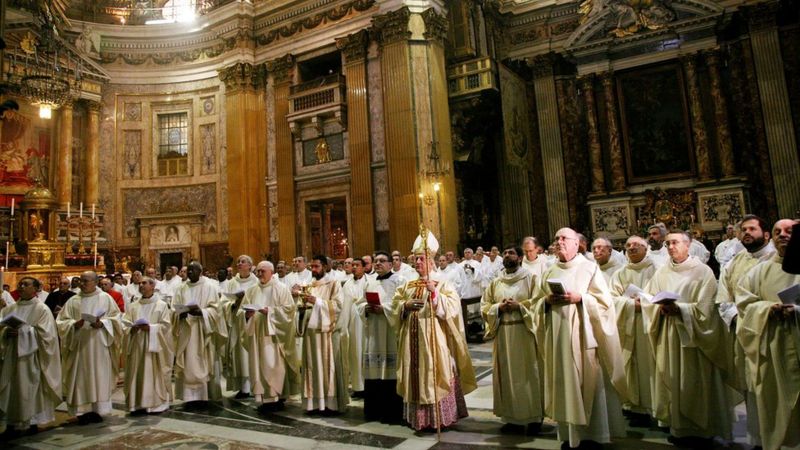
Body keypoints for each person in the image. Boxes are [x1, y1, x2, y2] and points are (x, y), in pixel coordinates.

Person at [532, 228, 627, 449]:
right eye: (556, 238)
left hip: (584, 339)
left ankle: (593, 436)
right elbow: (535, 303)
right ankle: (568, 436)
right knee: (564, 384)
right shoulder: (549, 270)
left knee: (588, 384)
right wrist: (545, 301)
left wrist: (581, 298)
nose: (559, 242)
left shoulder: (590, 268)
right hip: (557, 339)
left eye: (564, 238)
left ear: (577, 244)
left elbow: (605, 303)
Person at [643, 231, 735, 446]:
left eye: (674, 243)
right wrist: (658, 308)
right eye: (668, 244)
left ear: (688, 245)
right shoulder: (662, 272)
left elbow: (709, 309)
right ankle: (679, 429)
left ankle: (703, 431)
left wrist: (681, 310)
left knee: (696, 381)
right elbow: (649, 299)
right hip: (669, 335)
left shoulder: (703, 272)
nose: (670, 247)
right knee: (674, 378)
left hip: (695, 340)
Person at [391, 230, 476, 431]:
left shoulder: (442, 281)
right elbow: (396, 305)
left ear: (431, 260)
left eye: (421, 259)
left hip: (435, 338)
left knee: (436, 374)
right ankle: (419, 420)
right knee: (415, 374)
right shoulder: (407, 283)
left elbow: (453, 308)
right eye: (415, 259)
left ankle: (440, 418)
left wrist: (435, 295)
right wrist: (405, 306)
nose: (417, 262)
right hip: (411, 339)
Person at [735, 218, 800, 450]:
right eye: (777, 231)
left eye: (789, 230)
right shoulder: (760, 270)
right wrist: (768, 309)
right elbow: (744, 301)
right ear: (770, 237)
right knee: (774, 400)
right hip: (770, 345)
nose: (782, 234)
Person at [715, 215, 775, 447]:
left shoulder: (779, 260)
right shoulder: (734, 263)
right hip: (744, 335)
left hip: (775, 335)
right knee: (752, 387)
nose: (746, 233)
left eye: (752, 229)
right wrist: (739, 320)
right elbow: (724, 300)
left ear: (766, 234)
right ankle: (759, 438)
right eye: (743, 230)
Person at [480, 245, 543, 435]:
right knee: (506, 376)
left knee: (528, 375)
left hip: (524, 333)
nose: (507, 255)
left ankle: (534, 418)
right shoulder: (496, 282)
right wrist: (499, 307)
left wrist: (520, 307)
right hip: (503, 334)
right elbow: (485, 305)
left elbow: (539, 303)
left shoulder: (530, 278)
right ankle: (512, 419)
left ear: (520, 257)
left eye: (511, 253)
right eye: (505, 253)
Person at [56, 271, 122, 424]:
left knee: (98, 375)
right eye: (81, 281)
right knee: (80, 377)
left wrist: (103, 324)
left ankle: (98, 410)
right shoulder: (73, 300)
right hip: (79, 346)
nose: (83, 284)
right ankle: (82, 411)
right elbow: (61, 321)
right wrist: (73, 324)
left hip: (99, 344)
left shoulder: (105, 299)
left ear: (95, 281)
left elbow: (116, 319)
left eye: (86, 281)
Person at [0, 277, 62, 436]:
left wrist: (22, 332)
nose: (21, 286)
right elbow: (2, 328)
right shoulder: (10, 308)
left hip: (32, 358)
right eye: (20, 284)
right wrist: (6, 332)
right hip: (11, 357)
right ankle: (12, 423)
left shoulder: (42, 309)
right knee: (11, 389)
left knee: (30, 389)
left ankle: (32, 422)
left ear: (35, 289)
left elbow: (47, 336)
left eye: (26, 284)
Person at [608, 235, 658, 426]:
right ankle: (633, 406)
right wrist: (630, 304)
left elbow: (664, 292)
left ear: (646, 248)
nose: (632, 248)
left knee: (651, 365)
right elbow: (610, 299)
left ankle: (654, 406)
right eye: (628, 245)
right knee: (631, 364)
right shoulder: (620, 273)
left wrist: (644, 303)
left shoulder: (657, 269)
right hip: (627, 325)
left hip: (650, 324)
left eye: (637, 245)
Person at [239, 261, 298, 412]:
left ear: (271, 272)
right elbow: (241, 311)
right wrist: (246, 315)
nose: (259, 274)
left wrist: (270, 312)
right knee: (258, 367)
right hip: (256, 336)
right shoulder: (251, 290)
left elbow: (289, 310)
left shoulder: (281, 288)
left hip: (274, 337)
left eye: (262, 271)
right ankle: (264, 399)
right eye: (257, 271)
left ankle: (276, 398)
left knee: (274, 367)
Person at [293, 255, 347, 413]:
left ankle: (330, 404)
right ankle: (313, 403)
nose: (314, 270)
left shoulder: (333, 284)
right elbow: (300, 308)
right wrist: (301, 309)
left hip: (327, 335)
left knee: (327, 367)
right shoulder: (308, 286)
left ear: (324, 266)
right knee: (311, 367)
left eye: (316, 266)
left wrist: (316, 302)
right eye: (312, 267)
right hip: (311, 335)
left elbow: (338, 306)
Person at [356, 253, 404, 422]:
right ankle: (374, 412)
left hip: (390, 331)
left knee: (390, 372)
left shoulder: (399, 281)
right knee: (373, 372)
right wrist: (365, 309)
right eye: (376, 261)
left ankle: (392, 413)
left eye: (382, 261)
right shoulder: (369, 282)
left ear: (391, 264)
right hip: (373, 333)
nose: (378, 264)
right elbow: (359, 303)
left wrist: (383, 309)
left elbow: (401, 304)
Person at [172, 262, 228, 403]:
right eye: (188, 270)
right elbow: (173, 309)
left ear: (200, 271)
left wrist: (202, 312)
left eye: (192, 270)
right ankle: (189, 397)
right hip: (186, 330)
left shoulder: (209, 287)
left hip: (203, 331)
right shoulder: (180, 288)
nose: (189, 272)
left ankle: (204, 396)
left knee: (202, 360)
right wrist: (179, 314)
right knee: (187, 363)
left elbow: (216, 310)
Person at [121, 277, 173, 414]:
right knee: (136, 373)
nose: (141, 285)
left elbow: (167, 326)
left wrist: (151, 328)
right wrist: (131, 328)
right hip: (137, 345)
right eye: (139, 283)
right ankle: (137, 404)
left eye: (144, 283)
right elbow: (125, 323)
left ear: (152, 286)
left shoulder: (161, 305)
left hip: (153, 347)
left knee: (153, 373)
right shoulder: (133, 306)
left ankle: (155, 404)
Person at [220, 255, 259, 399]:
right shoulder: (231, 283)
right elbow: (223, 303)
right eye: (238, 262)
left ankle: (255, 386)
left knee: (251, 353)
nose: (239, 264)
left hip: (252, 322)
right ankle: (243, 387)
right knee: (239, 355)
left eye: (243, 262)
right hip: (236, 322)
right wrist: (234, 303)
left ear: (250, 266)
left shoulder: (256, 282)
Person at [341, 257, 367, 398]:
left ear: (364, 267)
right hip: (351, 321)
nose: (355, 267)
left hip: (366, 322)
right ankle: (358, 386)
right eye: (353, 265)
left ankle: (368, 385)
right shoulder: (347, 284)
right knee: (355, 353)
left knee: (365, 352)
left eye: (357, 265)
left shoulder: (370, 281)